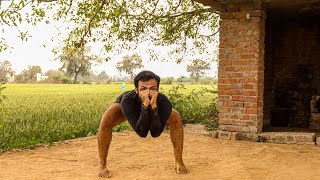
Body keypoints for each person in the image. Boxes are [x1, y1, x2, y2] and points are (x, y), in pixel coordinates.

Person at [98, 70, 188, 178]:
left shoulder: (164, 102)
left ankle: (179, 161)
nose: (148, 93)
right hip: (131, 108)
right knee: (105, 120)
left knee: (176, 118)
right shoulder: (128, 101)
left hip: (154, 108)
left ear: (158, 90)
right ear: (136, 90)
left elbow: (155, 133)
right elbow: (142, 132)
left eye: (152, 89)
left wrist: (154, 107)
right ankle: (102, 164)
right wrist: (145, 106)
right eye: (143, 89)